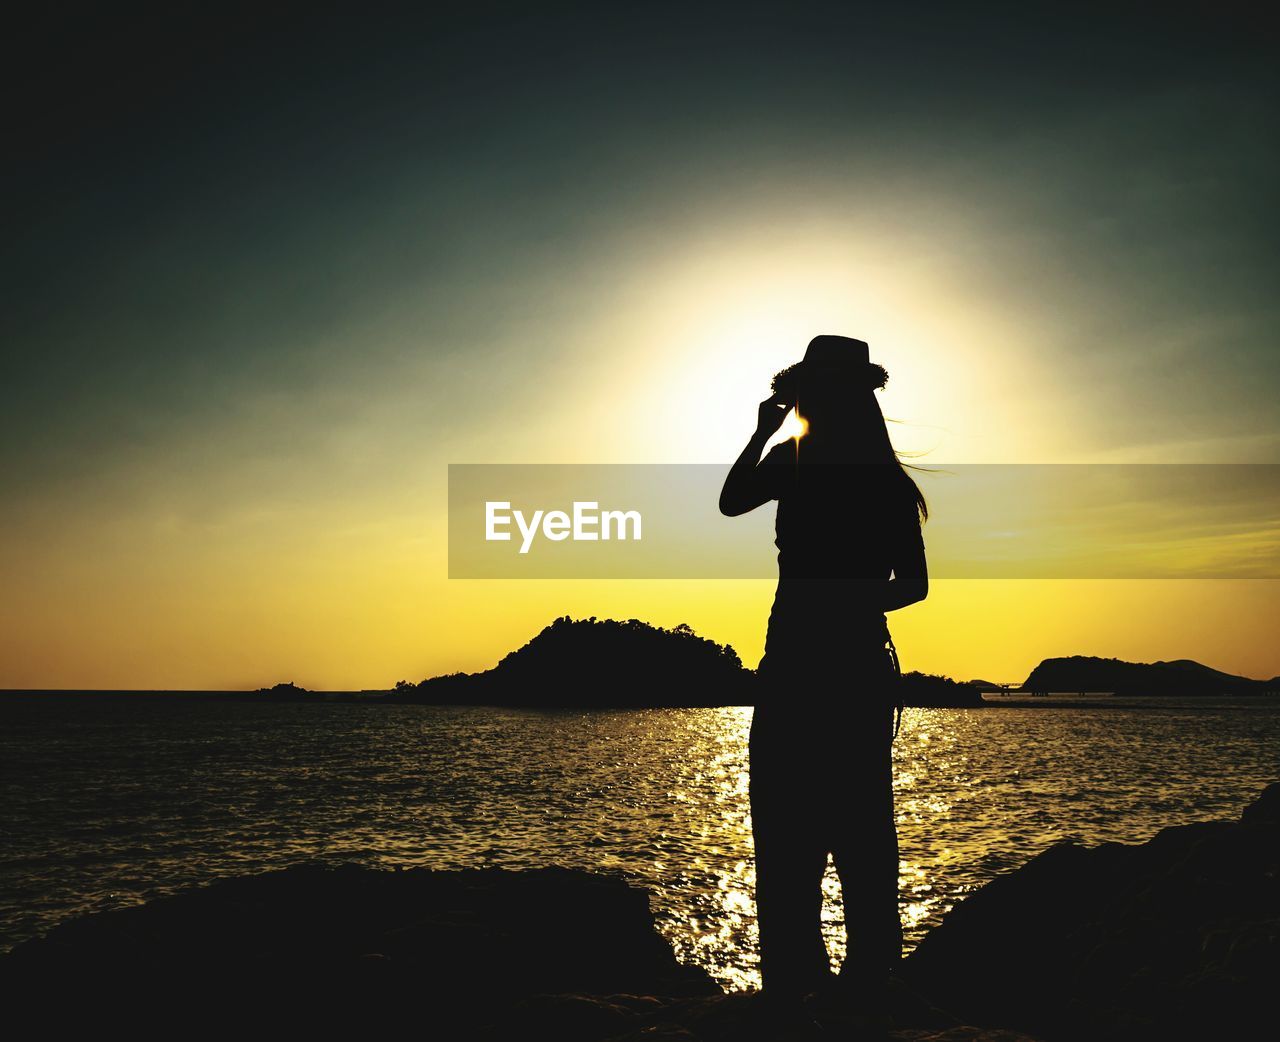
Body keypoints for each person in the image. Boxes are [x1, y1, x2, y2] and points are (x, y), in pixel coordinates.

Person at [719, 334, 929, 1021]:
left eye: (812, 390)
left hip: (822, 670)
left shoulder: (834, 470)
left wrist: (845, 599)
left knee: (816, 836)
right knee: (834, 834)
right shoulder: (810, 464)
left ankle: (833, 992)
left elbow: (915, 584)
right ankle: (838, 992)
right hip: (828, 669)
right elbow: (730, 501)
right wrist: (761, 431)